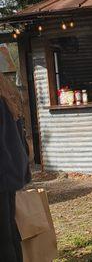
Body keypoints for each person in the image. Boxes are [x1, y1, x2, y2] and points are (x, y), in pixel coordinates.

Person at [0, 73, 30, 262]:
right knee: (9, 232)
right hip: (9, 174)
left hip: (3, 174)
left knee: (4, 239)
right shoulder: (7, 93)